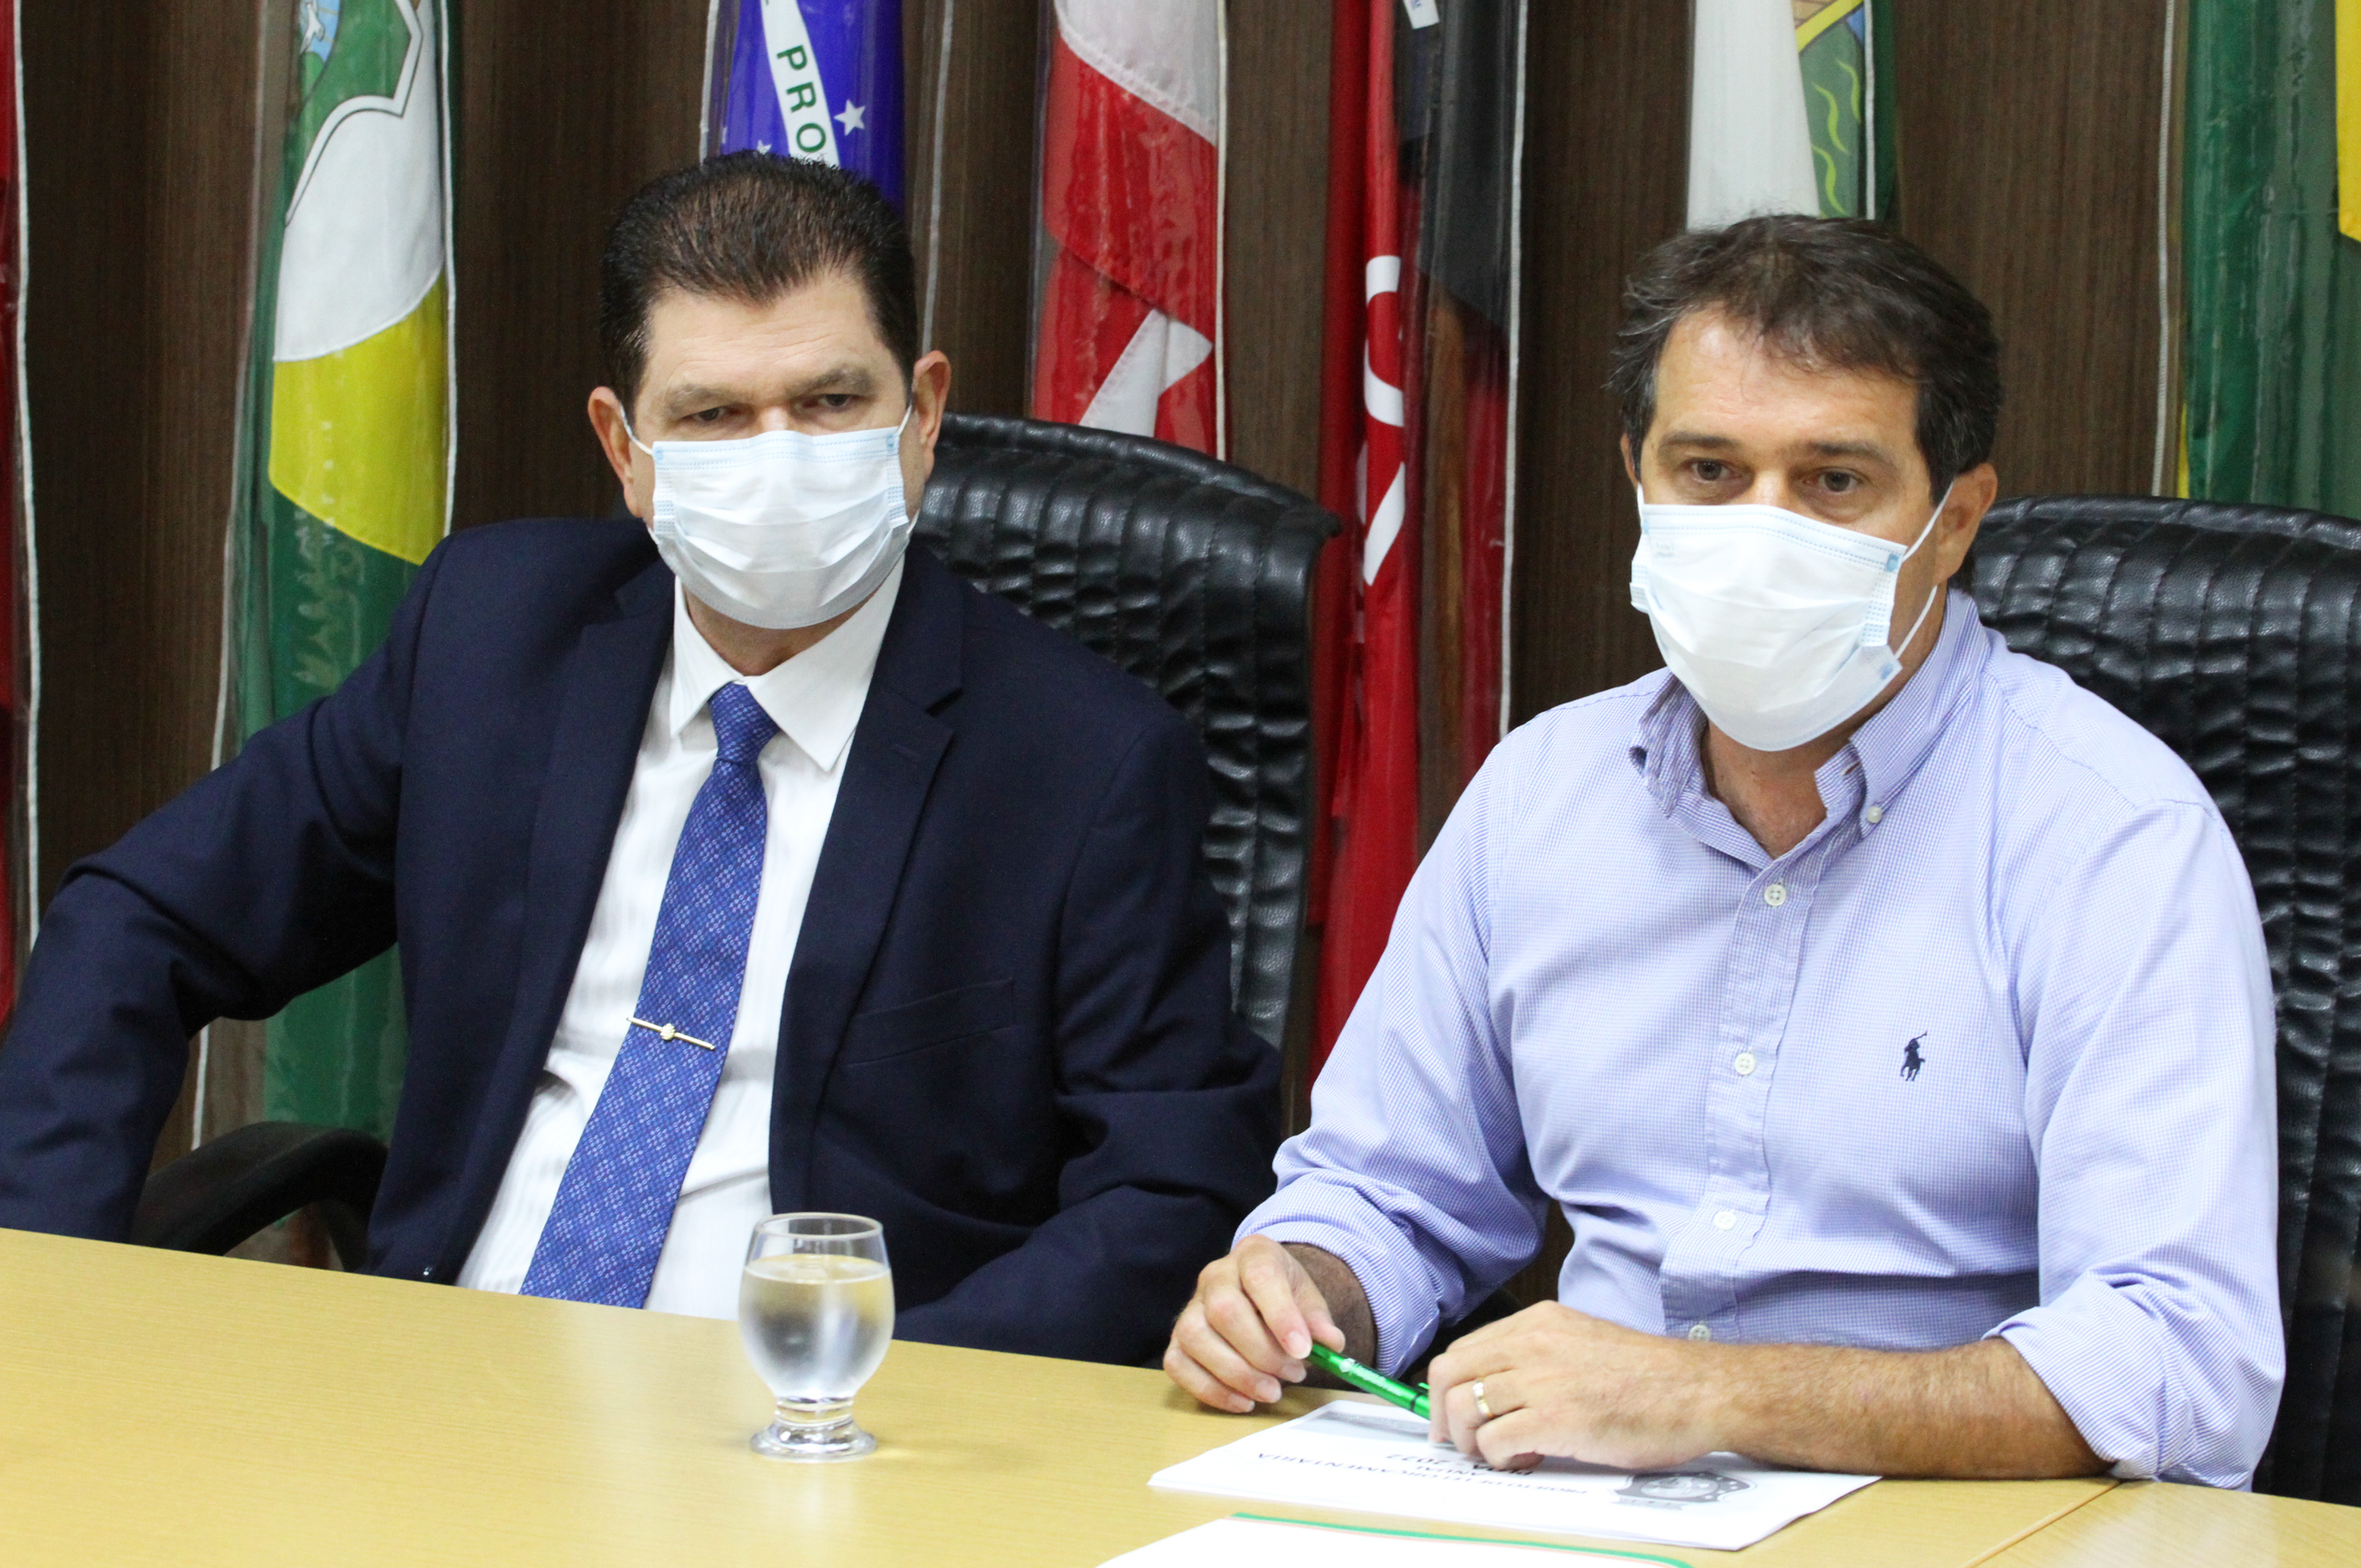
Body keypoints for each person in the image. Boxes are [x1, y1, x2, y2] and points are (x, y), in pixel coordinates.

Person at [0, 153, 1278, 1364]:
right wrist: (40, 1291)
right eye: (713, 414)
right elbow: (143, 919)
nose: (779, 456)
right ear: (625, 450)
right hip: (442, 1387)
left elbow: (1170, 1192)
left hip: (825, 1424)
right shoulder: (490, 637)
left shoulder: (1086, 764)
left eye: (831, 402)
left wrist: (866, 1393)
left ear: (924, 410)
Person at [1167, 216, 2283, 1487]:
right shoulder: (1543, 793)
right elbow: (1390, 1194)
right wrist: (1299, 1291)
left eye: (1834, 482)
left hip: (1954, 1533)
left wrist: (1719, 1397)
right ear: (1637, 477)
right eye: (1709, 470)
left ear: (1955, 519)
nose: (1763, 529)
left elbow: (2183, 1365)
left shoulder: (2114, 835)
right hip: (1581, 1514)